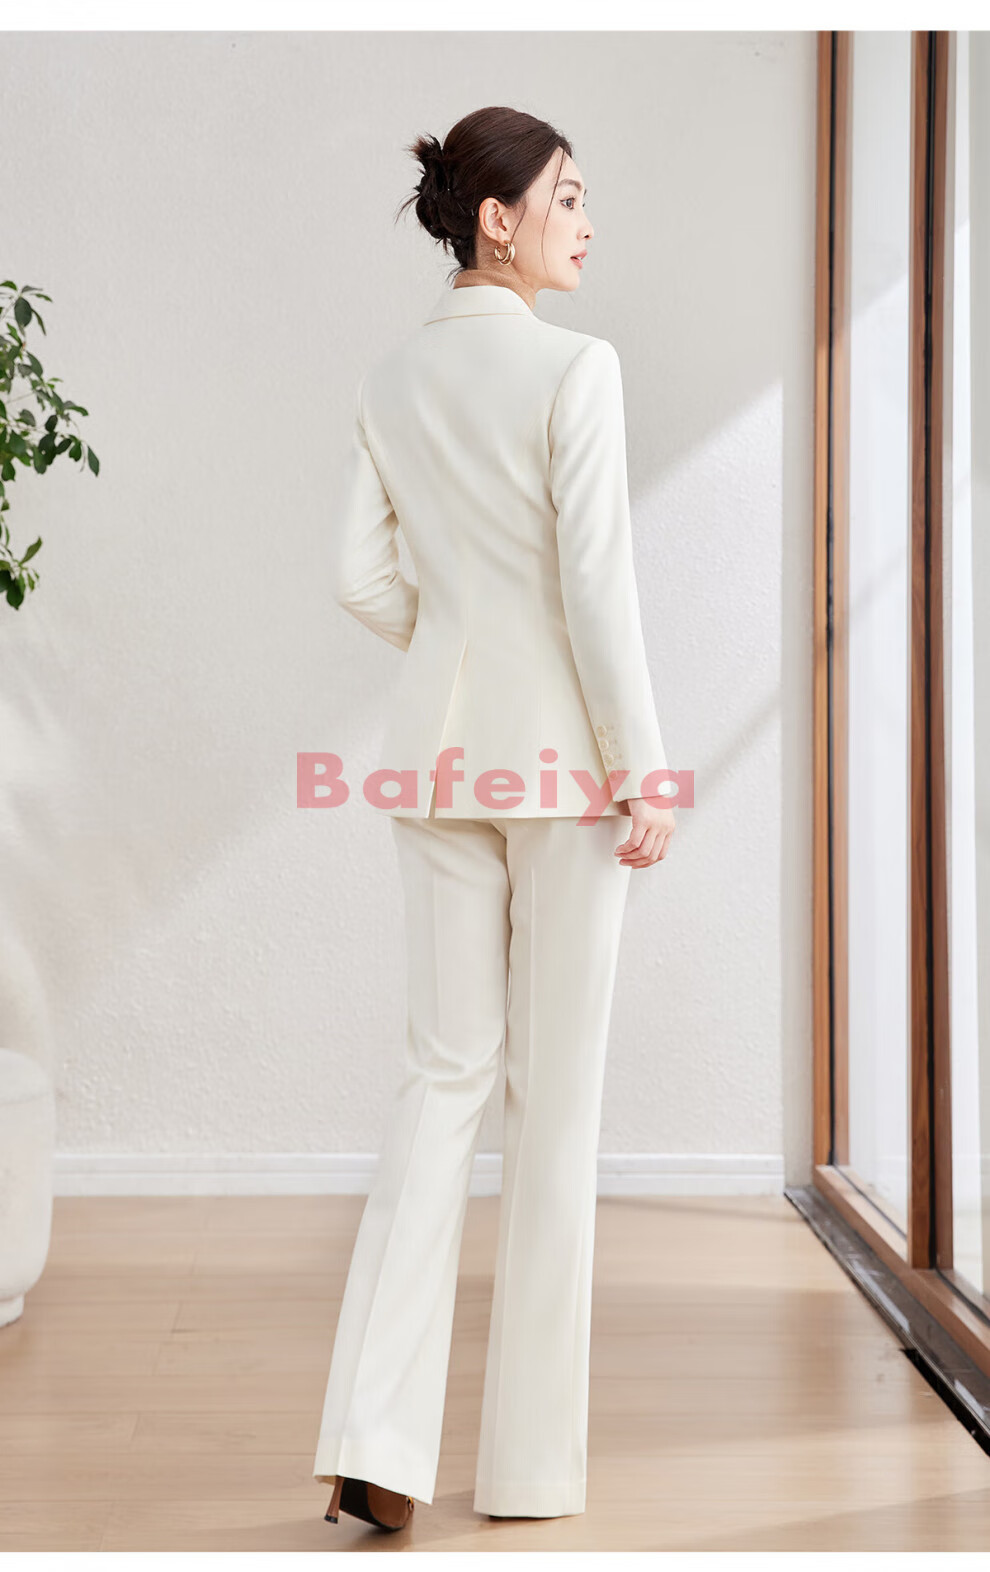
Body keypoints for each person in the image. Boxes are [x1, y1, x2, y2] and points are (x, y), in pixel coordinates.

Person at [314, 105, 677, 1533]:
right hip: (564, 767)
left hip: (436, 758)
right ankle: (527, 1469)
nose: (587, 221)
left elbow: (359, 578)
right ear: (498, 219)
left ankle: (374, 1443)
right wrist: (643, 770)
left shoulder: (391, 377)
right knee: (553, 1102)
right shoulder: (576, 369)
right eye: (567, 196)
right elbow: (597, 590)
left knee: (440, 1078)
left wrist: (453, 646)